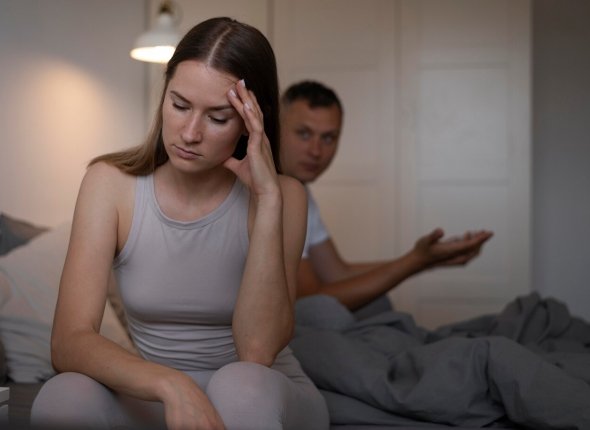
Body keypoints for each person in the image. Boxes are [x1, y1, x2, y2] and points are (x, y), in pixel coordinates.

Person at [31, 18, 329, 430]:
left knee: (240, 386)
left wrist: (266, 198)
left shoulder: (284, 196)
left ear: (251, 121)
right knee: (62, 396)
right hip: (162, 395)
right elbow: (68, 342)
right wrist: (171, 384)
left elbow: (257, 351)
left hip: (262, 396)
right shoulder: (109, 184)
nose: (190, 133)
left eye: (218, 118)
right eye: (180, 105)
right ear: (164, 94)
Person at [279, 80, 494, 313]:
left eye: (328, 138)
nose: (316, 151)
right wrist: (415, 261)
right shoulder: (277, 192)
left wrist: (426, 259)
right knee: (332, 315)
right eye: (304, 134)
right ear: (277, 128)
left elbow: (337, 274)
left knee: (376, 303)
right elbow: (311, 300)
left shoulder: (301, 192)